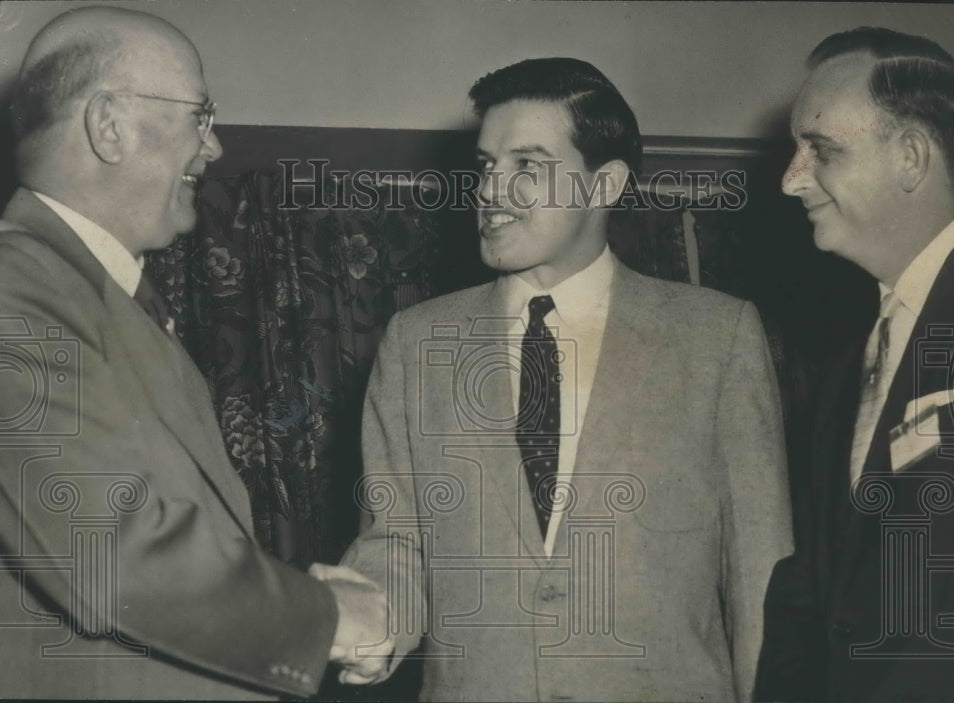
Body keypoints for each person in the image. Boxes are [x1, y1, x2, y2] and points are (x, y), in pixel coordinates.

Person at [341, 57, 793, 701]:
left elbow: (761, 577)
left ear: (603, 184)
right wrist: (371, 622)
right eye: (486, 166)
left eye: (527, 165)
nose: (493, 191)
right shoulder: (416, 341)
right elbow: (395, 540)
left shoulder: (716, 338)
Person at [0, 6, 391, 699]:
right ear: (108, 126)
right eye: (199, 116)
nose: (212, 149)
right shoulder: (16, 287)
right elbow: (108, 550)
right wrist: (325, 616)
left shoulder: (104, 297)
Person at [757, 27, 954, 703]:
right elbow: (820, 592)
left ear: (911, 157)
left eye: (822, 150)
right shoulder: (850, 348)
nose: (789, 178)